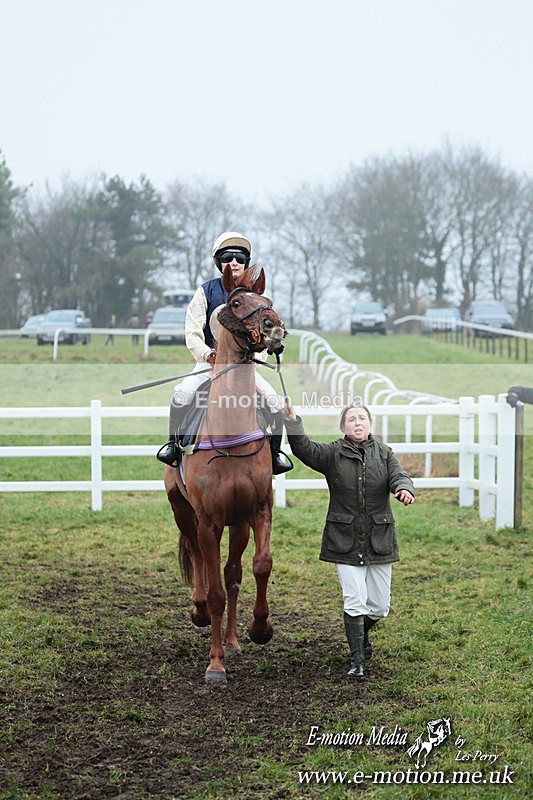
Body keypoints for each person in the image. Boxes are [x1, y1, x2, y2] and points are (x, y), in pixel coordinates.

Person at [281, 400, 415, 678]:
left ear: (369, 424)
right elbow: (304, 448)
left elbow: (399, 476)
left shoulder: (385, 453)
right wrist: (293, 422)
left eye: (361, 418)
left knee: (379, 606)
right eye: (351, 419)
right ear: (343, 427)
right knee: (354, 601)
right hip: (343, 537)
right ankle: (358, 661)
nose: (357, 422)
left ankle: (360, 636)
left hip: (379, 537)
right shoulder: (332, 453)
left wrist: (403, 489)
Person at [156, 231, 292, 475]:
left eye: (240, 258)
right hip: (209, 363)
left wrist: (257, 356)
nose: (234, 262)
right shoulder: (206, 291)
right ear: (219, 262)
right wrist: (208, 355)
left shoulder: (253, 297)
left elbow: (263, 331)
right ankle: (173, 447)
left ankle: (274, 454)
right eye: (227, 257)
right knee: (182, 395)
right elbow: (193, 330)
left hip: (244, 367)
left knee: (275, 403)